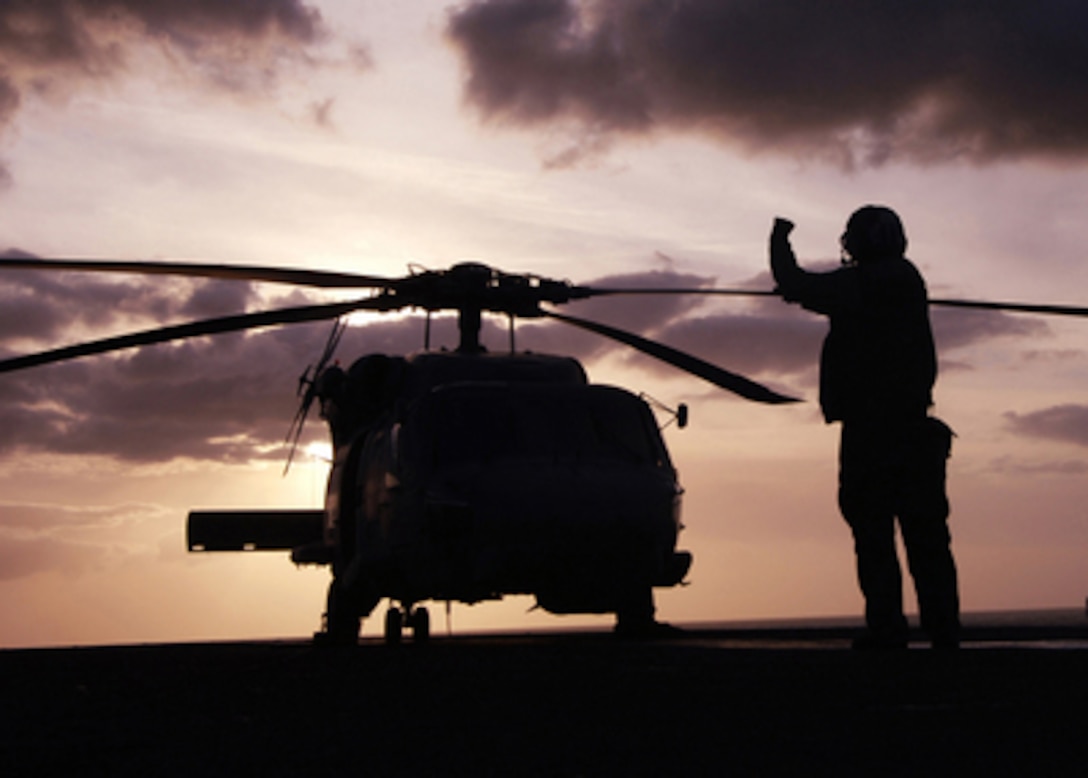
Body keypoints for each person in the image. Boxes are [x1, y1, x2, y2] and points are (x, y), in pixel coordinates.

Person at [769, 206, 960, 650]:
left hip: (874, 433)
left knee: (874, 533)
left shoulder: (869, 282)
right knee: (926, 535)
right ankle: (943, 629)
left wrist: (779, 238)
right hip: (913, 429)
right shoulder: (905, 278)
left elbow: (797, 283)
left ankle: (889, 629)